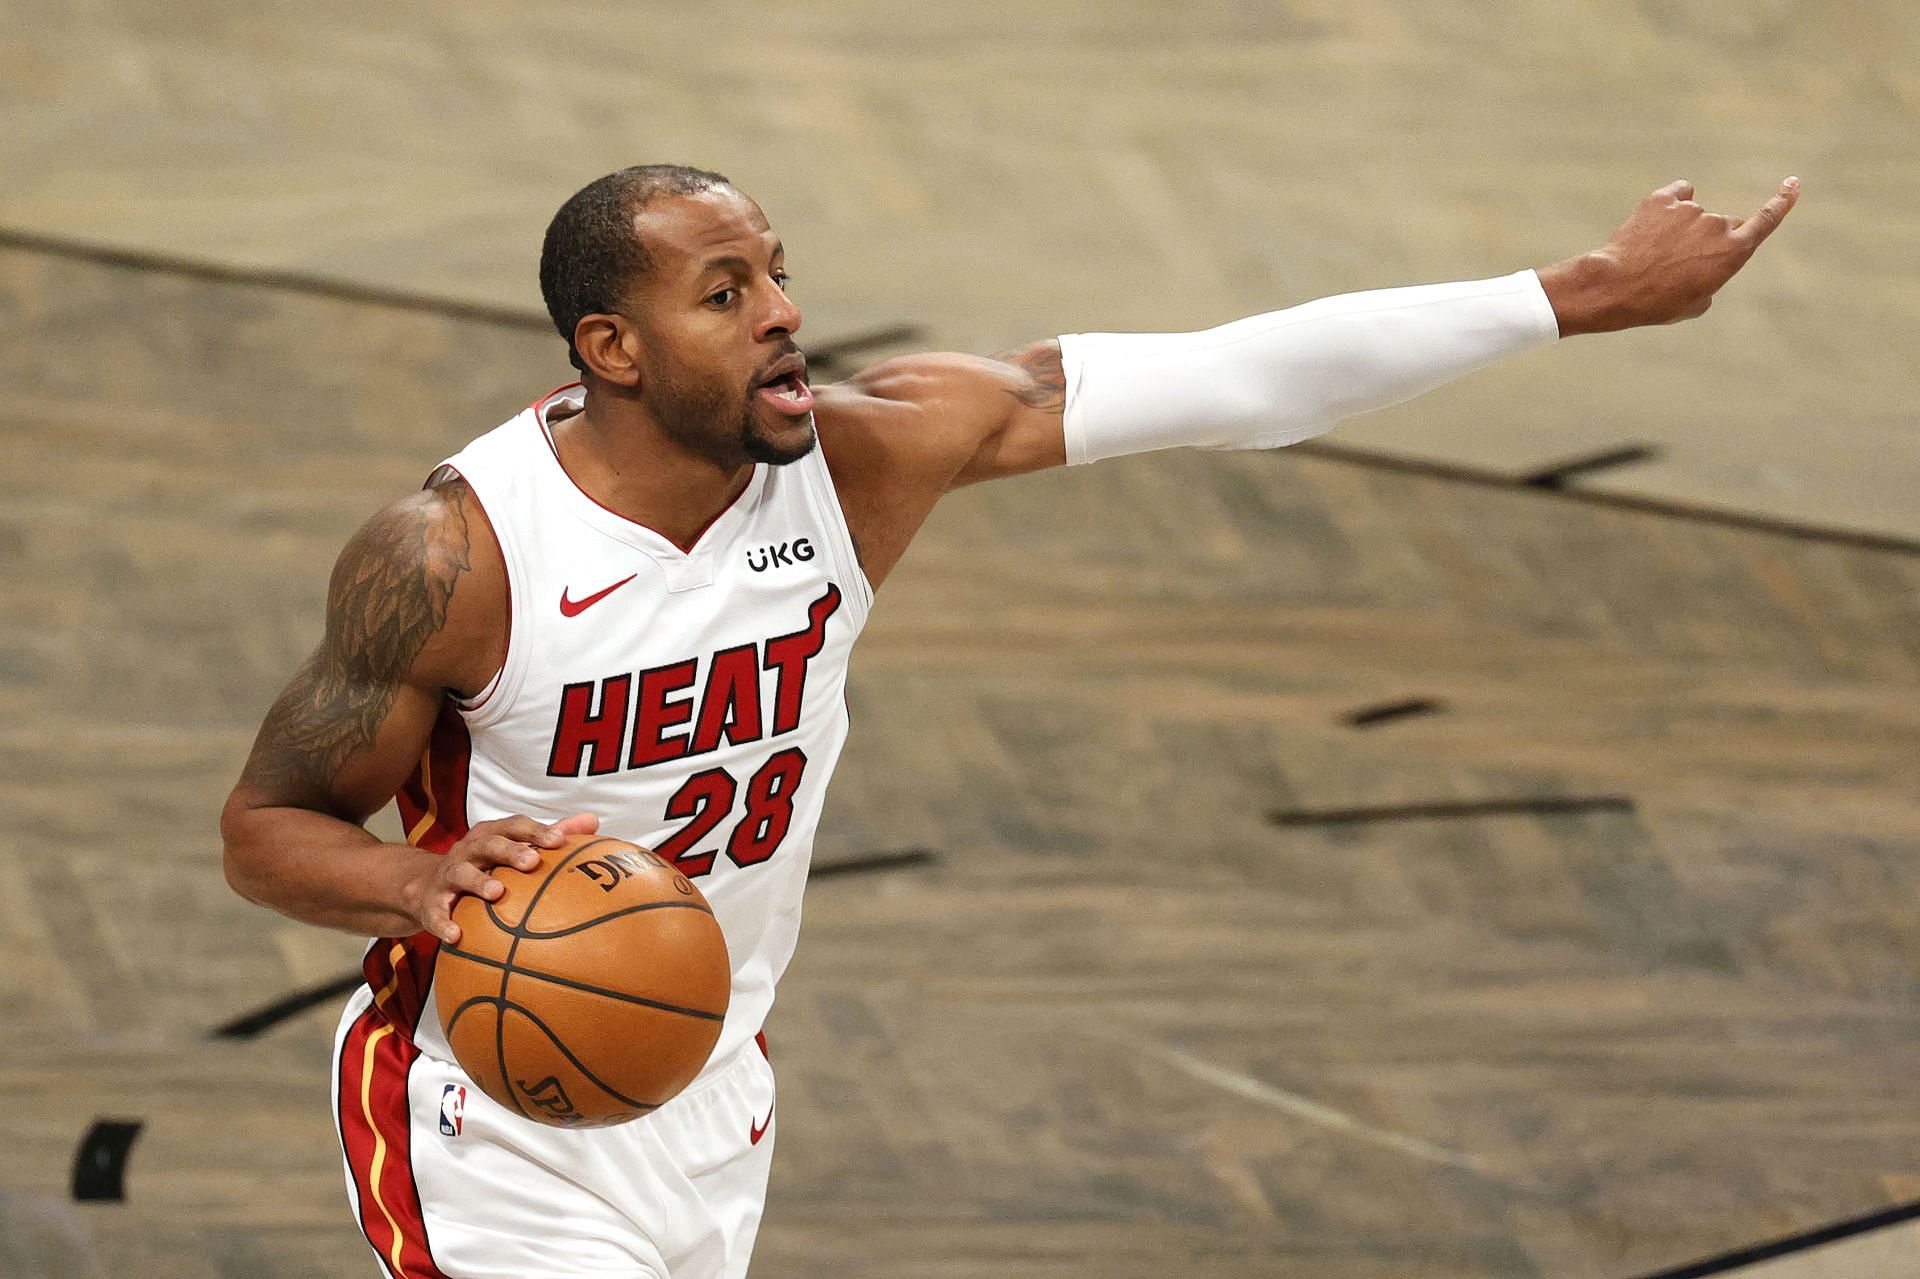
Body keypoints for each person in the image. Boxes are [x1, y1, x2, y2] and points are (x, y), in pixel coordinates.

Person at [221, 163, 1798, 1278]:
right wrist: (419, 884)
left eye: (779, 272)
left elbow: (1234, 378)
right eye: (725, 292)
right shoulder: (456, 554)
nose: (781, 315)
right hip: (485, 1098)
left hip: (712, 1082)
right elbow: (268, 829)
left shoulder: (863, 458)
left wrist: (1572, 298)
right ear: (611, 350)